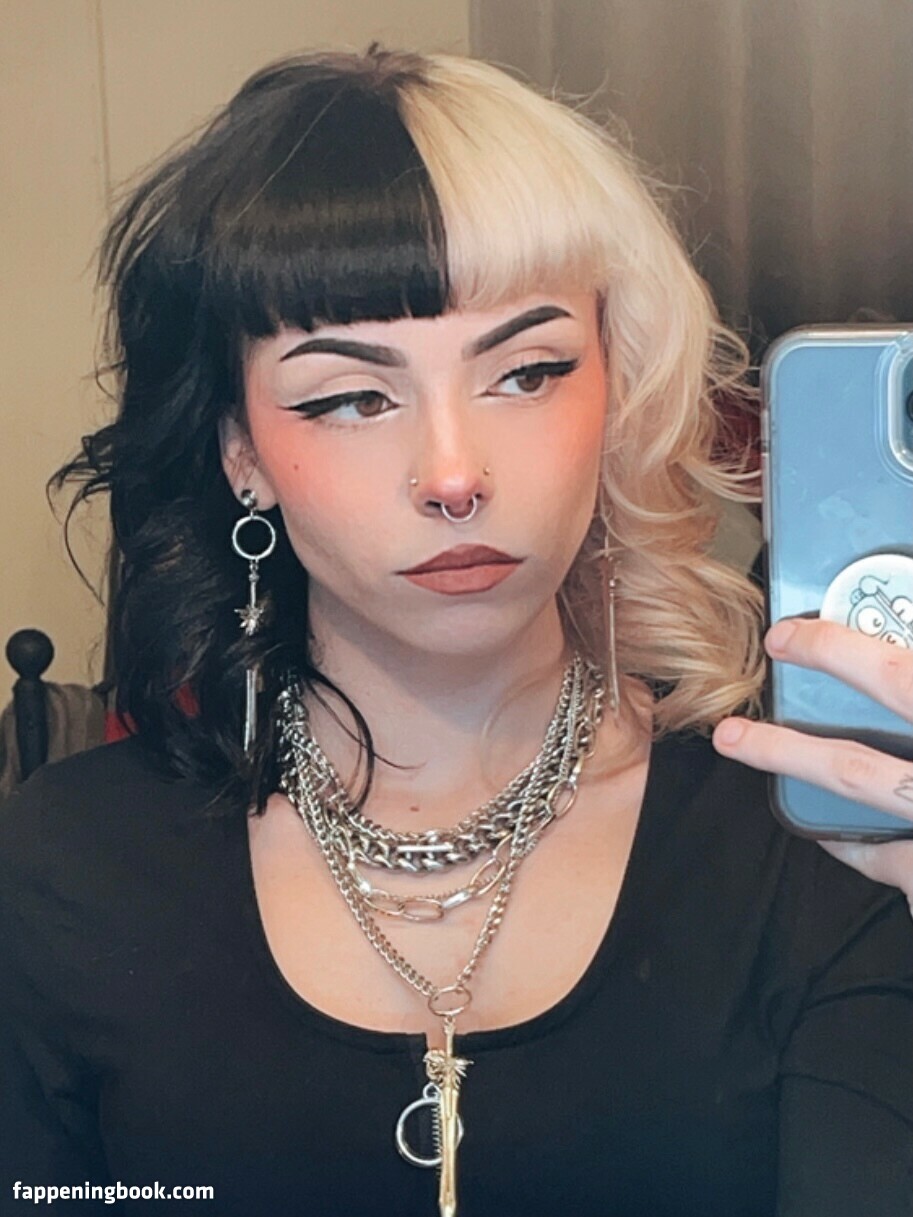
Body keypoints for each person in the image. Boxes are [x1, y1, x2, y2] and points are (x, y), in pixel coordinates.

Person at [0, 47, 910, 1217]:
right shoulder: (67, 870)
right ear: (241, 452)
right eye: (351, 396)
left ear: (617, 394)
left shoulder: (817, 845)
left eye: (526, 373)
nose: (452, 473)